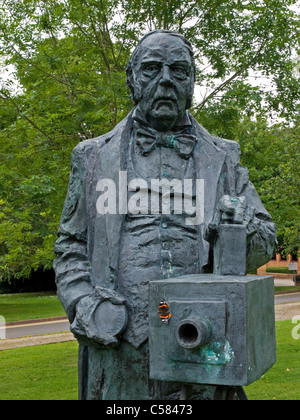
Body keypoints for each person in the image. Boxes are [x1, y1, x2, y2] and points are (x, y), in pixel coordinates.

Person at [53, 30, 277, 400]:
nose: (166, 81)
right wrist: (83, 303)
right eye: (152, 69)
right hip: (121, 351)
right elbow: (70, 246)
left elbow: (266, 238)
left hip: (206, 349)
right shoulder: (91, 157)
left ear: (191, 83)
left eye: (179, 70)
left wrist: (240, 231)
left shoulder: (225, 157)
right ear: (131, 79)